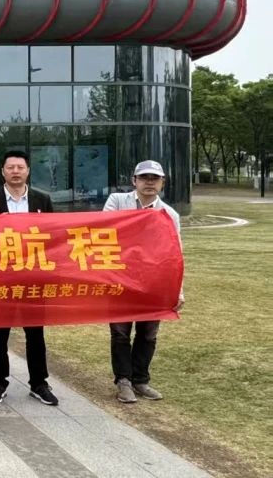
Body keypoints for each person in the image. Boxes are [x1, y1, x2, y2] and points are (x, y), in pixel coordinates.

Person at [0, 149, 59, 406]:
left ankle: (39, 383)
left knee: (35, 333)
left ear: (28, 171)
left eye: (20, 167)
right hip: (0, 277)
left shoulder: (42, 201)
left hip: (33, 277)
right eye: (10, 167)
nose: (15, 171)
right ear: (3, 171)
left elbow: (55, 237)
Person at [103, 159, 183, 403]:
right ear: (134, 181)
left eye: (154, 178)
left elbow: (175, 255)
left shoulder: (169, 215)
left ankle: (140, 380)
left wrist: (178, 290)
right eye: (144, 178)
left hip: (153, 283)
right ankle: (123, 381)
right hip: (121, 279)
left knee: (148, 333)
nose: (149, 182)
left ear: (162, 182)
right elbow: (105, 232)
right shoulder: (117, 202)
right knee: (120, 333)